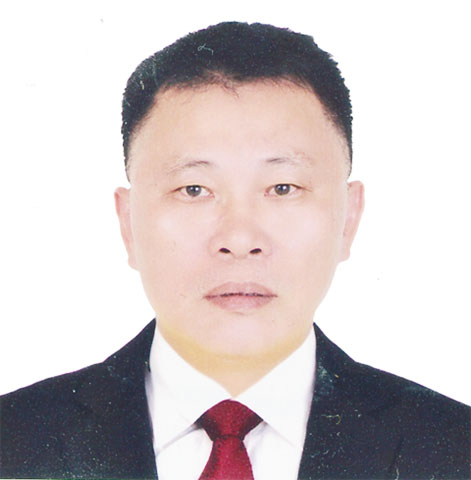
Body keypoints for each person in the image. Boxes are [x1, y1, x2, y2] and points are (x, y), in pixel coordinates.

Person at [0, 21, 469, 480]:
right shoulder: (15, 442)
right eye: (194, 189)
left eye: (283, 187)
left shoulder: (453, 450)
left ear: (348, 217)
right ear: (128, 223)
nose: (240, 239)